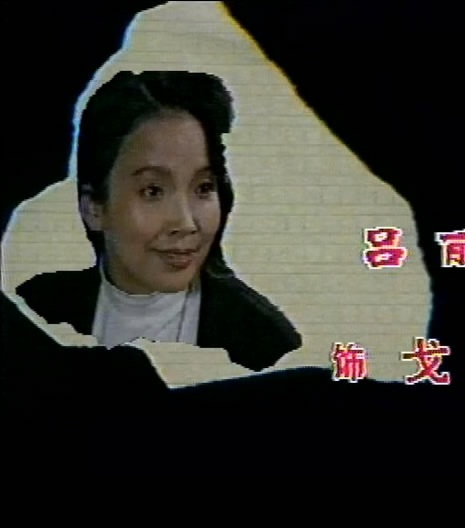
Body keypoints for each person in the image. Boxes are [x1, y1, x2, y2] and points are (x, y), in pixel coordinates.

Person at [14, 70, 302, 372]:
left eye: (204, 188)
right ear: (94, 208)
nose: (186, 223)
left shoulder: (265, 346)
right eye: (153, 191)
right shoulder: (36, 310)